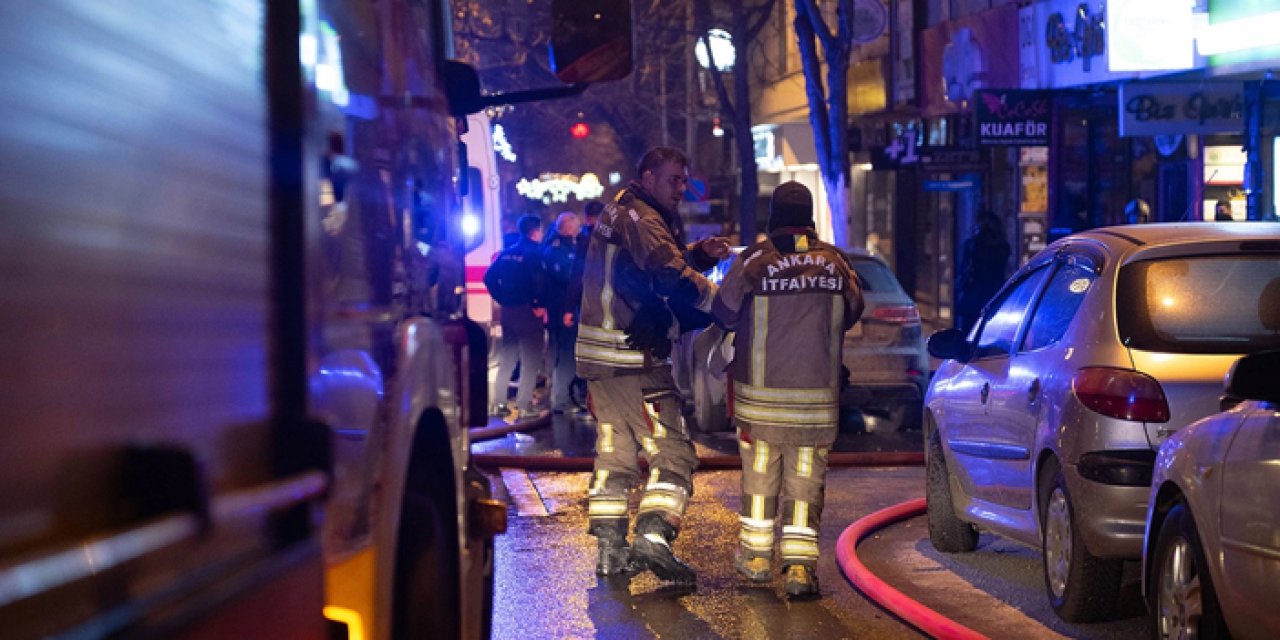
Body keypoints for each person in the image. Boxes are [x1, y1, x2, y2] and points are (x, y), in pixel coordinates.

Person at [576, 146, 728, 584]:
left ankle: (609, 549)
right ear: (647, 176)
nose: (681, 188)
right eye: (673, 180)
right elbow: (667, 273)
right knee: (673, 452)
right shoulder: (641, 216)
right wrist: (723, 303)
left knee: (616, 453)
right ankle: (654, 535)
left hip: (599, 359)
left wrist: (698, 253)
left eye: (684, 180)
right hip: (633, 356)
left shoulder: (625, 211)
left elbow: (645, 267)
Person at [711, 181, 864, 599]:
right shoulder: (835, 262)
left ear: (773, 218)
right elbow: (853, 311)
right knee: (806, 480)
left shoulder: (755, 261)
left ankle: (757, 558)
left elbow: (722, 313)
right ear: (810, 219)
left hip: (761, 399)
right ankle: (799, 570)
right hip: (816, 400)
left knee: (761, 475)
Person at [484, 215, 547, 420]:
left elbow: (488, 277)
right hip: (528, 312)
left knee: (507, 358)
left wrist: (501, 298)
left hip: (509, 312)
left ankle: (498, 403)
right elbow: (538, 282)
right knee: (531, 360)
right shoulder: (535, 253)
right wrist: (538, 304)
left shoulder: (506, 253)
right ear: (535, 231)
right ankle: (524, 404)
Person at [542, 211, 583, 413]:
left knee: (564, 354)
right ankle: (560, 401)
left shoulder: (562, 247)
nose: (578, 232)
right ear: (568, 228)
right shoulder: (557, 250)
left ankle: (564, 397)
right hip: (562, 310)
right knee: (566, 355)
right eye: (576, 228)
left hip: (563, 309)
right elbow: (568, 277)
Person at [955, 210, 1011, 333]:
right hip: (995, 294)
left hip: (975, 296)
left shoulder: (973, 245)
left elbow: (964, 269)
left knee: (969, 331)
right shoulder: (1003, 247)